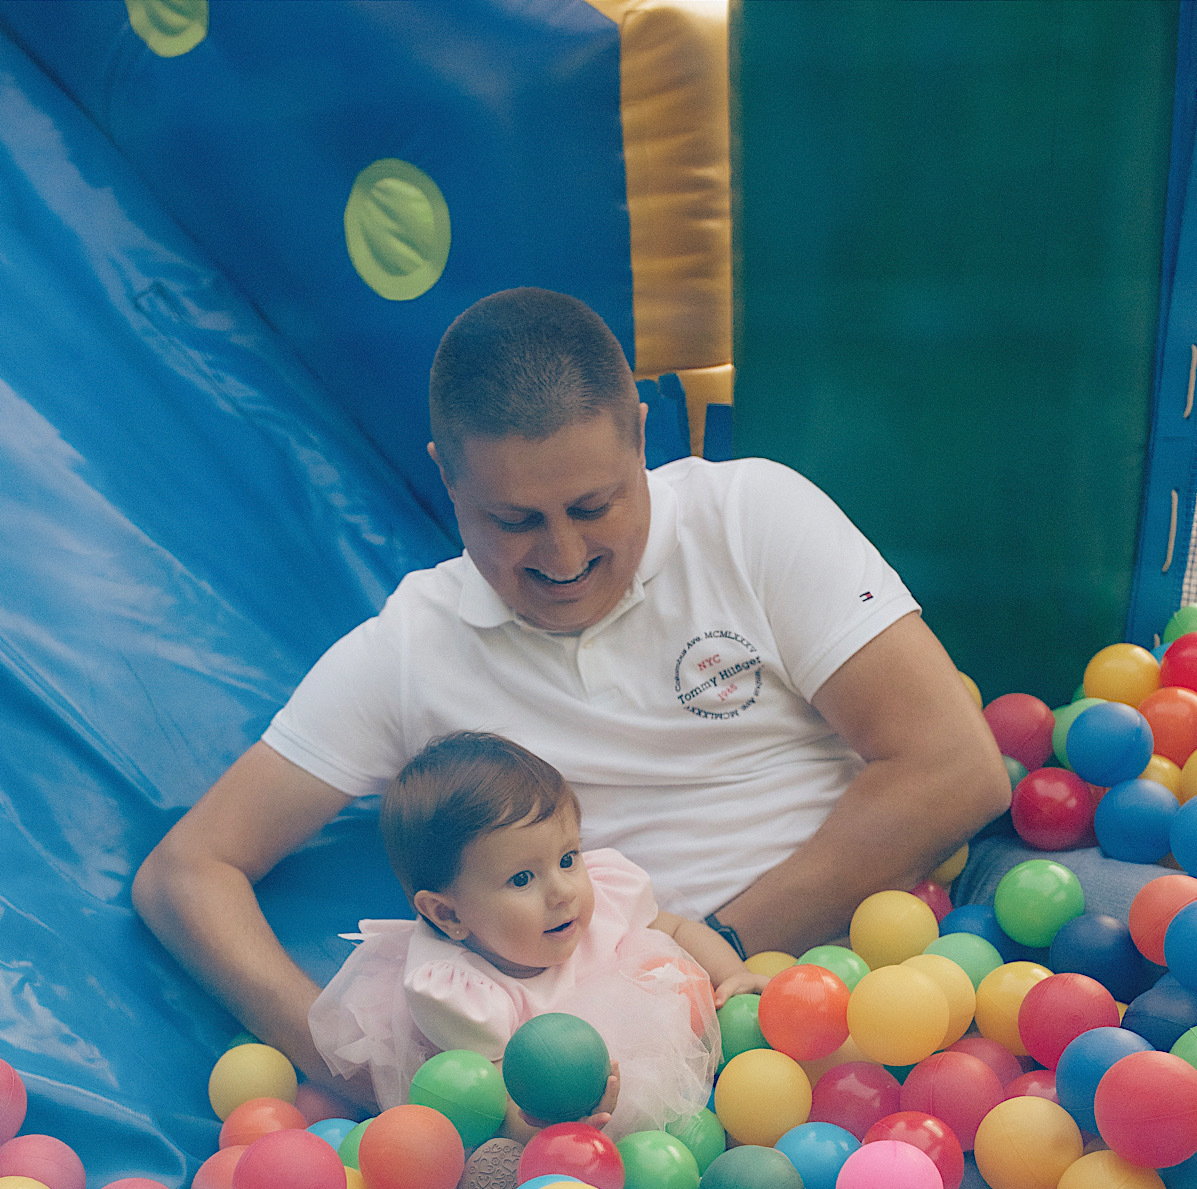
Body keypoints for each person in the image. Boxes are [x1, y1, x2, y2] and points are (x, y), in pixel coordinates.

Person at [133, 287, 1010, 1089]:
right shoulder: (413, 649)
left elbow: (956, 766)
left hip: (897, 971)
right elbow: (187, 870)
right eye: (514, 521)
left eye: (594, 506)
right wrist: (349, 1066)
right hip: (635, 1076)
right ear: (449, 477)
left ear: (638, 431)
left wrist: (717, 954)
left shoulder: (751, 519)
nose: (563, 557)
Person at [311, 731, 763, 1135]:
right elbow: (495, 1110)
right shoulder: (462, 995)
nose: (563, 892)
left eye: (568, 858)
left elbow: (680, 928)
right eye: (523, 879)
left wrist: (732, 973)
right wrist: (557, 1123)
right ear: (448, 914)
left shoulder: (600, 900)